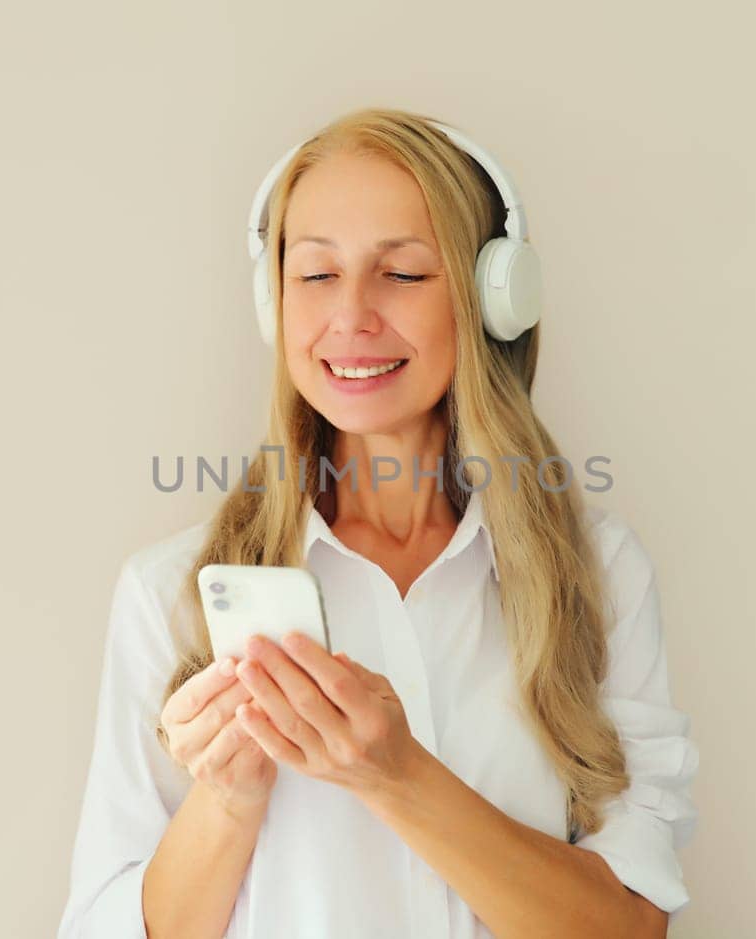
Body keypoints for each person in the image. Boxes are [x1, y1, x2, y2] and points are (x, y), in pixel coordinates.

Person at [56, 106, 699, 939]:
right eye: (316, 275)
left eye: (402, 274)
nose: (351, 315)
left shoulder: (598, 575)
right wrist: (227, 799)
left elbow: (627, 928)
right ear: (273, 302)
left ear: (489, 297)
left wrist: (397, 774)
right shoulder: (168, 594)